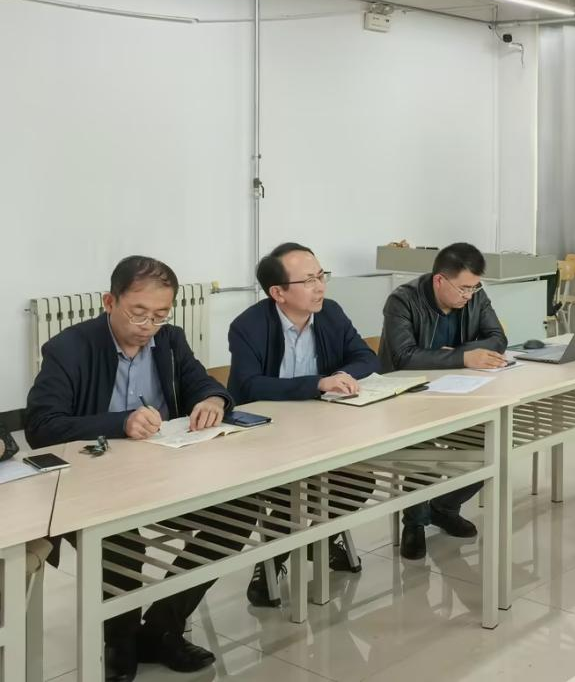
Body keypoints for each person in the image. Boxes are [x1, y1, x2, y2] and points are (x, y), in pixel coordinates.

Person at [26, 257, 239, 682]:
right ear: (110, 302)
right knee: (122, 542)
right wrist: (120, 422)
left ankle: (160, 630)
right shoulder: (70, 347)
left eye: (160, 315)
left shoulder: (170, 341)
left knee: (236, 514)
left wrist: (212, 399)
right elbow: (41, 426)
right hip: (92, 479)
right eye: (138, 313)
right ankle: (119, 641)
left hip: (164, 469)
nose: (148, 326)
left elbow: (202, 382)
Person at [228, 242, 381, 606]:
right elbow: (249, 386)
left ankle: (317, 540)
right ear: (277, 293)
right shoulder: (248, 326)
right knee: (291, 490)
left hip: (322, 427)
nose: (320, 287)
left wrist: (342, 375)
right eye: (309, 280)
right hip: (265, 434)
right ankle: (273, 561)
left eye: (321, 276)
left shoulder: (331, 314)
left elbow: (366, 357)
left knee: (361, 481)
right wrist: (317, 384)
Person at [379, 242, 508, 559]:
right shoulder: (403, 300)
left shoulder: (476, 296)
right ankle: (414, 523)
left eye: (474, 287)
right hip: (406, 397)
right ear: (439, 280)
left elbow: (498, 338)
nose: (470, 295)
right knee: (423, 448)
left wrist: (456, 355)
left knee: (493, 441)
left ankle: (444, 507)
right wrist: (463, 357)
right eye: (464, 288)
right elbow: (404, 357)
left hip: (458, 393)